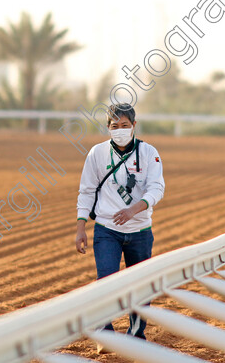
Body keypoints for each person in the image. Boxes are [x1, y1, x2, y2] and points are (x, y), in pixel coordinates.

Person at [74, 103, 165, 341]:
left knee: (140, 285)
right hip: (107, 230)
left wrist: (133, 210)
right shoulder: (97, 153)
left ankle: (136, 336)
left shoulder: (149, 153)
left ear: (134, 126)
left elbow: (157, 188)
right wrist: (81, 227)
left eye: (125, 125)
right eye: (115, 126)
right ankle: (105, 335)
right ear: (108, 128)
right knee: (106, 281)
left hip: (140, 230)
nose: (120, 130)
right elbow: (86, 191)